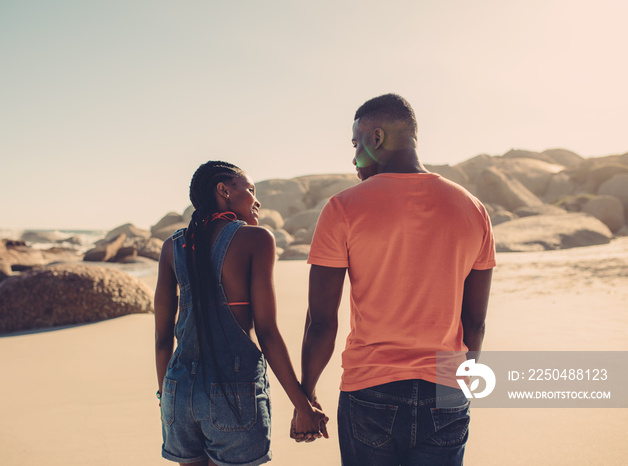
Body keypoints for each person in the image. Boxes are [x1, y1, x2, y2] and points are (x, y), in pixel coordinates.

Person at [293, 94, 496, 465]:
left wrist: (306, 396)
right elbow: (476, 322)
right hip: (446, 389)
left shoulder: (342, 208)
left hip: (371, 390)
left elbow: (321, 321)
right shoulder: (473, 208)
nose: (353, 157)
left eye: (356, 144)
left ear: (377, 137)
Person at [155, 161, 328, 466]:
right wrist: (302, 405)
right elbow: (267, 333)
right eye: (250, 190)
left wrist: (166, 399)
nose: (256, 200)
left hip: (177, 394)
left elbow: (161, 340)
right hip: (234, 395)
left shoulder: (172, 247)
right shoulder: (256, 239)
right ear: (224, 191)